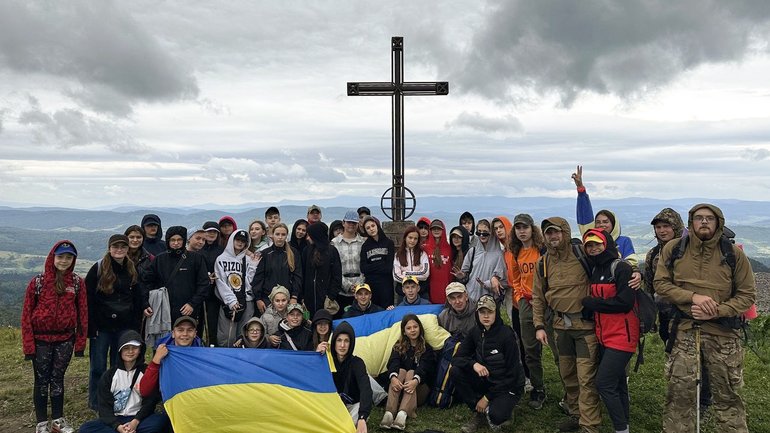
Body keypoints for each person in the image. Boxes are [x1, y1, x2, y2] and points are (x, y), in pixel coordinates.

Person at [655, 204, 756, 433]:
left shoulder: (733, 254)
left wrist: (718, 310)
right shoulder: (674, 249)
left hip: (723, 334)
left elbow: (747, 295)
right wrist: (693, 297)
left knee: (727, 394)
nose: (703, 222)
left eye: (709, 218)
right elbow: (661, 284)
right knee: (679, 393)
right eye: (698, 218)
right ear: (691, 222)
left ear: (718, 222)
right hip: (684, 330)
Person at [532, 217, 600, 433]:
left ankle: (589, 426)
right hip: (560, 327)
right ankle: (576, 414)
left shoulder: (582, 254)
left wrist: (634, 272)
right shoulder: (543, 263)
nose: (552, 236)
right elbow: (538, 297)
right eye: (548, 233)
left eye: (556, 232)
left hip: (585, 327)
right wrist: (539, 325)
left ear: (565, 232)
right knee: (567, 374)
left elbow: (609, 265)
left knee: (585, 377)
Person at [22, 240, 88, 433]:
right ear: (53, 257)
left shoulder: (77, 283)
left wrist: (80, 345)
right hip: (40, 339)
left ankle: (58, 420)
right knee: (41, 381)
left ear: (73, 260)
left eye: (69, 258)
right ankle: (42, 422)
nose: (64, 261)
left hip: (65, 340)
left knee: (57, 379)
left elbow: (83, 314)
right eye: (60, 257)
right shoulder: (38, 282)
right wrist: (28, 346)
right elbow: (26, 314)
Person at [580, 229, 637, 433]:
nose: (594, 248)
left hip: (623, 336)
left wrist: (593, 303)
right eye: (589, 245)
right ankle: (625, 425)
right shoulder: (595, 269)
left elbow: (624, 303)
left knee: (603, 383)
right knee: (619, 383)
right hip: (604, 336)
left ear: (607, 244)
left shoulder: (620, 268)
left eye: (598, 244)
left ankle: (620, 428)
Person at [85, 234, 143, 411]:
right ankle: (96, 402)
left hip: (123, 326)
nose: (119, 250)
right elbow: (88, 298)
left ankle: (115, 398)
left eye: (123, 247)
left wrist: (134, 326)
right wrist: (91, 326)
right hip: (101, 326)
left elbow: (137, 298)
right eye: (115, 247)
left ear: (127, 249)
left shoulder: (131, 268)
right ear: (109, 248)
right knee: (98, 366)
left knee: (118, 365)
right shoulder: (99, 268)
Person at [451, 295, 525, 432]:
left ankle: (505, 407)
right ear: (477, 313)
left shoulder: (507, 335)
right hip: (487, 380)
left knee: (497, 417)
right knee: (455, 371)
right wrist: (473, 364)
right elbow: (456, 358)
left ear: (496, 313)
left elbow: (513, 374)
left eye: (490, 312)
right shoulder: (475, 332)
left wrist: (487, 397)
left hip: (507, 384)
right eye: (482, 312)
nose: (486, 316)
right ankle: (479, 412)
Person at [507, 213, 555, 411]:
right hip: (526, 303)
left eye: (525, 228)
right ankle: (538, 387)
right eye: (518, 228)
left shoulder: (542, 250)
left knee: (558, 347)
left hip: (547, 302)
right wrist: (519, 298)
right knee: (530, 350)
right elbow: (516, 278)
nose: (522, 231)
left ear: (531, 229)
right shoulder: (516, 251)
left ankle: (572, 392)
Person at [78, 330, 167, 433]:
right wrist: (118, 426)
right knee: (86, 429)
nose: (130, 352)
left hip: (139, 419)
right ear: (120, 350)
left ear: (140, 350)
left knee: (160, 421)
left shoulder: (146, 371)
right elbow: (104, 407)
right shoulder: (109, 375)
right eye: (126, 348)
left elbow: (150, 401)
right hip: (116, 419)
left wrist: (135, 421)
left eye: (134, 348)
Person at [571, 166, 641, 287]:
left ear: (613, 224)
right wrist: (580, 190)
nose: (601, 225)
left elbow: (631, 262)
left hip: (619, 286)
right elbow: (584, 216)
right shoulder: (592, 239)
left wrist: (636, 272)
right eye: (598, 222)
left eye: (606, 221)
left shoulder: (623, 241)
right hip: (596, 286)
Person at [143, 226, 210, 327]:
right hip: (163, 309)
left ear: (184, 240)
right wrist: (145, 304)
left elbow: (204, 284)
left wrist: (193, 303)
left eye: (179, 240)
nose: (176, 243)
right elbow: (146, 282)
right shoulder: (160, 259)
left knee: (187, 338)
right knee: (164, 340)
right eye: (172, 240)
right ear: (167, 241)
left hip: (187, 310)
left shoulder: (196, 259)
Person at [380, 314, 435, 431]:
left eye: (415, 327)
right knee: (399, 371)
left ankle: (402, 414)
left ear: (420, 328)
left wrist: (415, 380)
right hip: (400, 389)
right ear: (404, 332)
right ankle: (389, 413)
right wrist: (394, 378)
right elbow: (393, 362)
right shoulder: (398, 346)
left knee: (411, 372)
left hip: (419, 390)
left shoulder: (427, 349)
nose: (412, 330)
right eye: (409, 328)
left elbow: (425, 368)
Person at [138, 316, 203, 400]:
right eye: (180, 330)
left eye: (190, 330)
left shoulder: (202, 354)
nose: (185, 334)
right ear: (173, 333)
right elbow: (144, 391)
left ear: (195, 334)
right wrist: (155, 361)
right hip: (171, 400)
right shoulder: (163, 352)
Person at [215, 230, 258, 347]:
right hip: (228, 302)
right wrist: (231, 300)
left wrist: (253, 266)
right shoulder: (221, 259)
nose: (240, 243)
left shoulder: (248, 259)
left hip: (246, 300)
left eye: (243, 241)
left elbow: (249, 281)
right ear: (232, 240)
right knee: (226, 334)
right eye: (237, 239)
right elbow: (220, 281)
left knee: (243, 334)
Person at [331, 321, 373, 433]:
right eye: (339, 340)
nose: (342, 345)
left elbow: (366, 390)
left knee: (359, 410)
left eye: (346, 341)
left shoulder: (357, 363)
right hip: (332, 406)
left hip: (352, 406)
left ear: (351, 343)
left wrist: (362, 418)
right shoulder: (327, 361)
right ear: (334, 342)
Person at [451, 219, 506, 303]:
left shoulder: (499, 255)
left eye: (485, 232)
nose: (481, 235)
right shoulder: (472, 251)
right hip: (470, 298)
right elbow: (465, 273)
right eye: (479, 232)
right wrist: (462, 276)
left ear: (491, 233)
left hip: (489, 301)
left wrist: (486, 284)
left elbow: (503, 281)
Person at [252, 223, 302, 313]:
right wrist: (258, 299)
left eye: (283, 235)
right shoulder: (265, 254)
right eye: (277, 234)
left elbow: (297, 276)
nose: (280, 237)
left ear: (287, 236)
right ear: (272, 235)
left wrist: (294, 296)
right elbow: (259, 278)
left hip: (287, 299)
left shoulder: (293, 253)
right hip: (267, 299)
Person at [301, 221, 342, 315]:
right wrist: (302, 296)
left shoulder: (331, 251)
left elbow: (337, 276)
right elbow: (303, 273)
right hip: (309, 298)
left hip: (326, 299)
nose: (307, 238)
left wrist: (331, 296)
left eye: (309, 235)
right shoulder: (306, 251)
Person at [332, 210, 367, 315]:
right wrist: (347, 285)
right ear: (343, 223)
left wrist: (358, 285)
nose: (351, 225)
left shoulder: (363, 242)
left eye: (354, 223)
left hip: (361, 289)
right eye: (349, 222)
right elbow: (334, 268)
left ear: (358, 224)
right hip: (341, 290)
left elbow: (365, 266)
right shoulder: (334, 243)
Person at [360, 216, 396, 309]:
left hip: (386, 285)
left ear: (377, 225)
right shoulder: (365, 246)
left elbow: (388, 268)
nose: (371, 229)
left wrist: (372, 267)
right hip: (371, 285)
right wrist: (380, 264)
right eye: (368, 228)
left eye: (373, 226)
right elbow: (363, 268)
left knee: (387, 310)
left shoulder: (389, 243)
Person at [200, 221, 224, 347]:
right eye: (209, 231)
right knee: (198, 324)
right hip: (199, 292)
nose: (211, 234)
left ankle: (212, 346)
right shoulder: (198, 250)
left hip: (215, 293)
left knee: (212, 324)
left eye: (214, 231)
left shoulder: (222, 250)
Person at [393, 226, 430, 302]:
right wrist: (412, 279)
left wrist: (406, 273)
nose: (412, 241)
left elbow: (425, 274)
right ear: (405, 238)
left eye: (415, 238)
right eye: (410, 237)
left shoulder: (422, 254)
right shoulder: (398, 255)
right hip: (403, 294)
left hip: (421, 293)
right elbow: (396, 276)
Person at [425, 219, 452, 304]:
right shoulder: (425, 248)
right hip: (430, 288)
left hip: (446, 288)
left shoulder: (450, 249)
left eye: (439, 229)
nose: (436, 231)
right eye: (434, 229)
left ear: (443, 230)